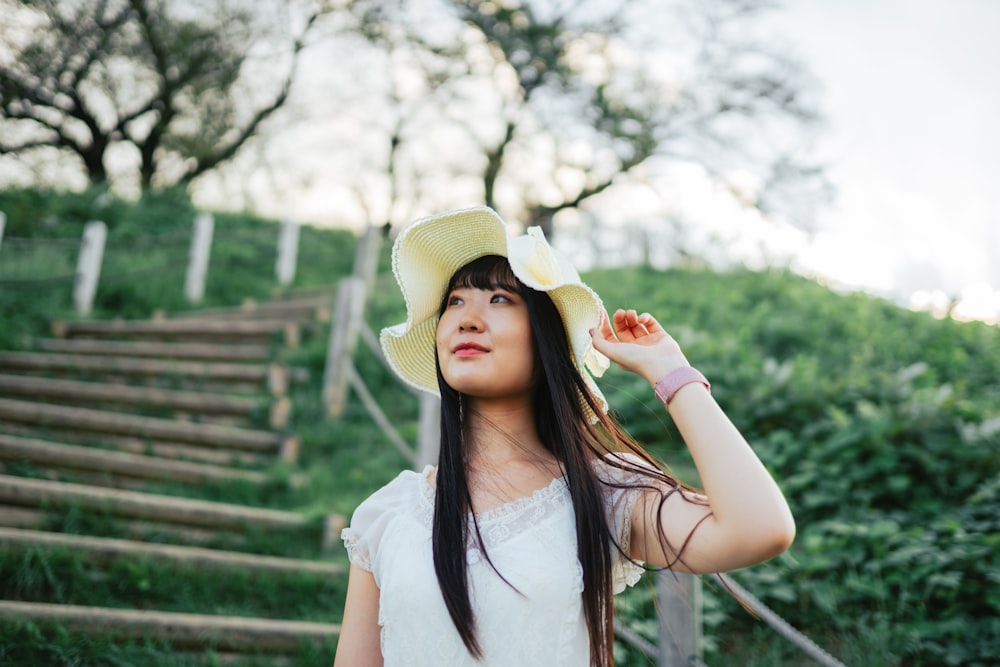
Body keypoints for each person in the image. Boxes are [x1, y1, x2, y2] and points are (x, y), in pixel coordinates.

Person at [334, 207, 794, 666]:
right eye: (455, 300)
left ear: (547, 339)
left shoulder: (604, 491)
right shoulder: (386, 514)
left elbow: (759, 529)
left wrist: (672, 373)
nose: (467, 318)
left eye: (500, 300)